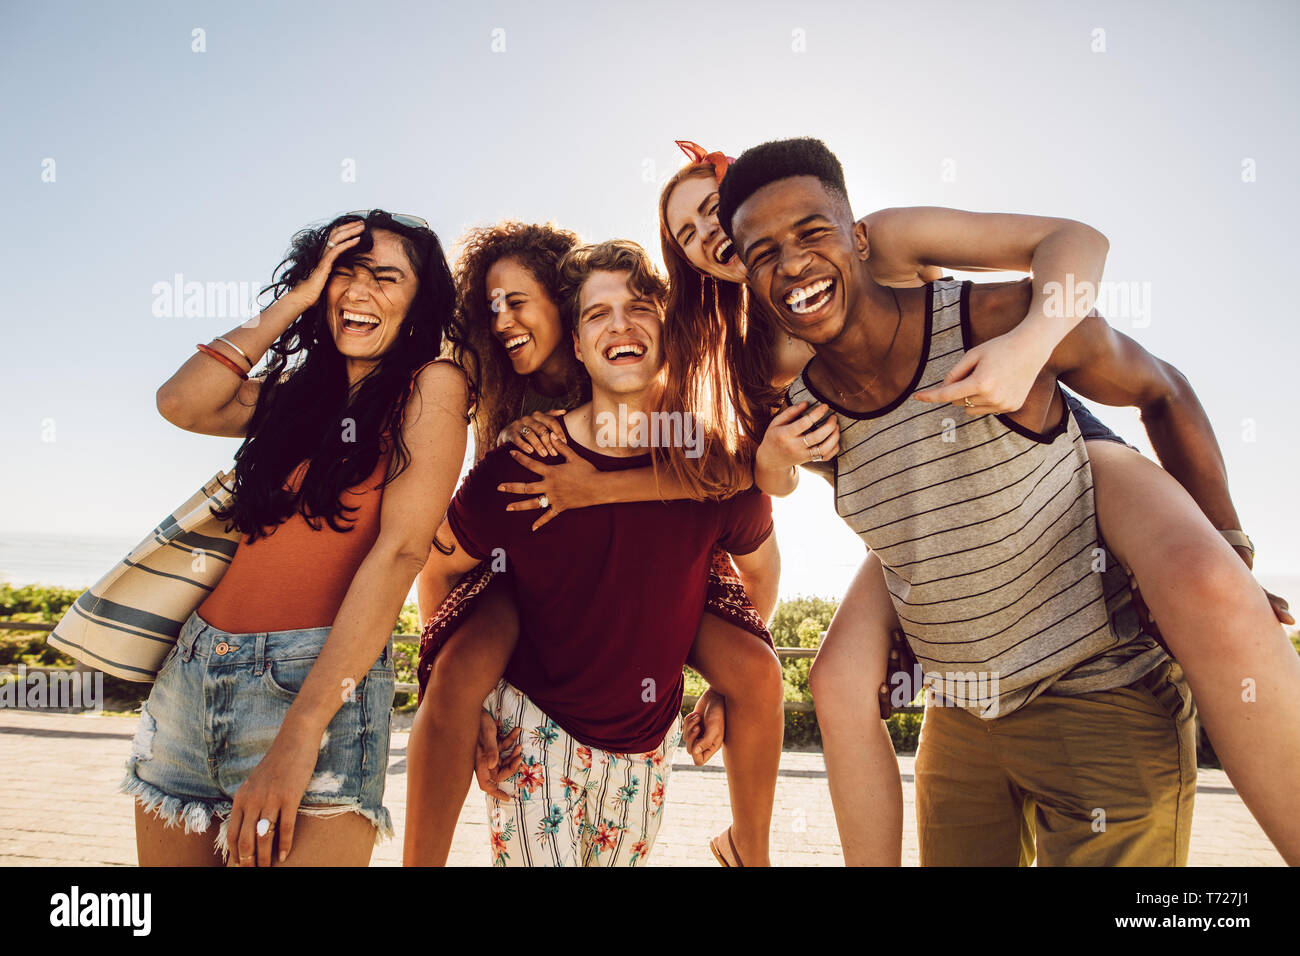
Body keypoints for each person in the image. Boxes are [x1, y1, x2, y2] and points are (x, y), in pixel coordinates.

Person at [720, 137, 1300, 865]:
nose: (794, 262)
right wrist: (773, 469)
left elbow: (1161, 383)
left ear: (860, 238)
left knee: (1206, 581)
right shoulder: (792, 408)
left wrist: (1231, 543)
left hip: (1099, 696)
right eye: (764, 251)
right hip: (964, 719)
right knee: (836, 679)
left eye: (812, 233)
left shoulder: (993, 321)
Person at [406, 223, 782, 867]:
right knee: (463, 665)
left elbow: (760, 567)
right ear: (577, 342)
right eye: (599, 314)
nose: (621, 326)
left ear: (669, 333)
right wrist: (452, 686)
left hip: (641, 740)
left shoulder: (712, 462)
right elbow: (439, 570)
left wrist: (726, 684)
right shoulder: (520, 459)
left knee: (759, 671)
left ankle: (752, 848)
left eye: (639, 310)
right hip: (536, 715)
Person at [124, 210, 471, 866]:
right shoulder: (293, 397)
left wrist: (300, 735)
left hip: (319, 686)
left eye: (386, 278)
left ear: (419, 304)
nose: (359, 291)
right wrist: (297, 298)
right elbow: (181, 403)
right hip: (192, 673)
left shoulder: (434, 387)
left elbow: (399, 553)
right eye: (345, 274)